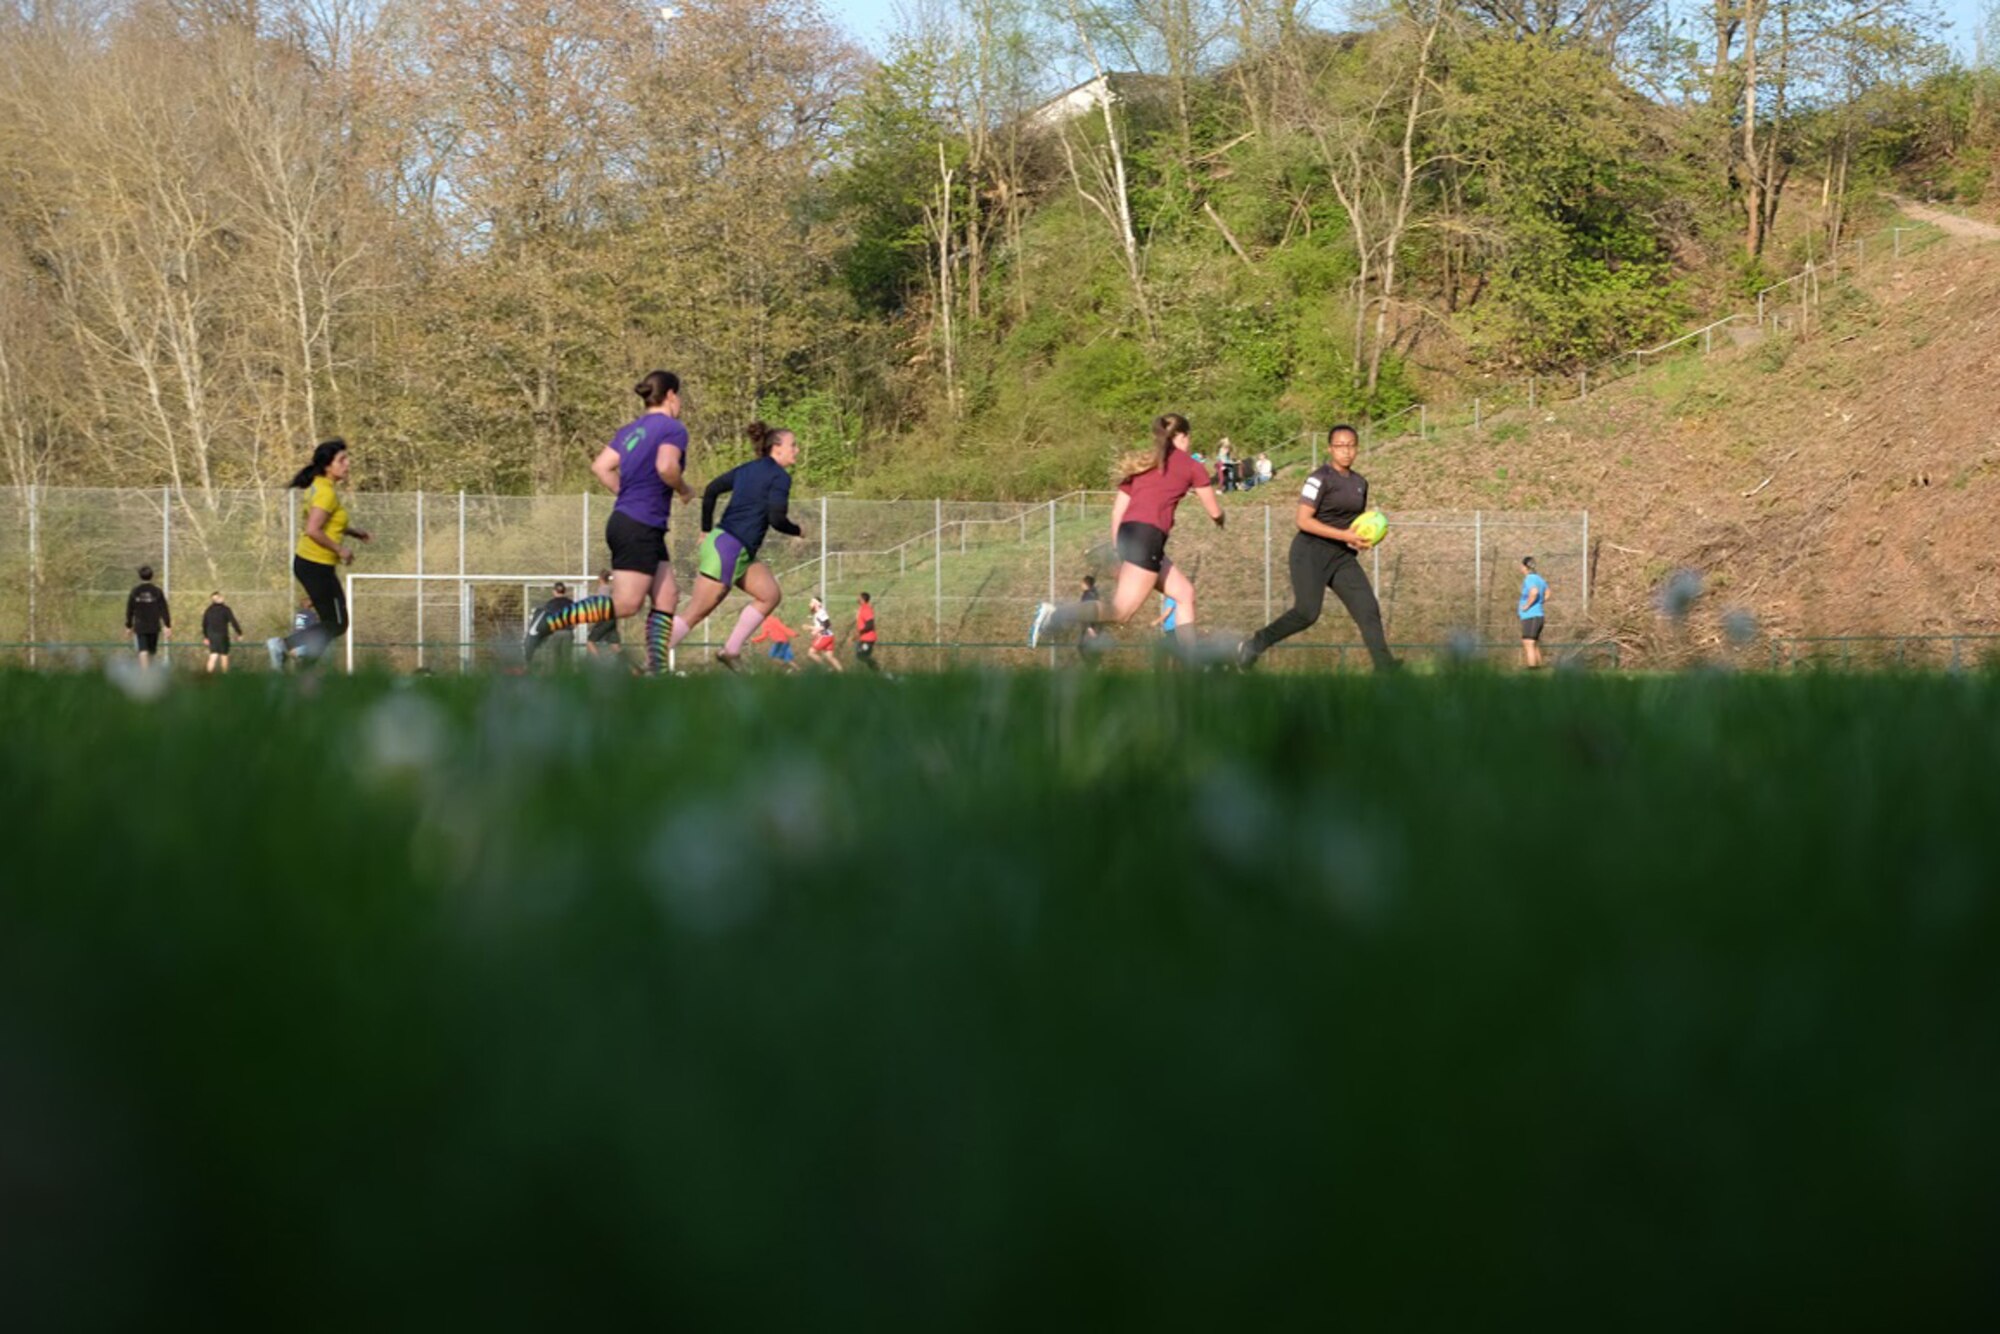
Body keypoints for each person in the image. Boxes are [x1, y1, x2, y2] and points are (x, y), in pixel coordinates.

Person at [525, 370, 694, 675]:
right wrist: (683, 489)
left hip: (633, 521)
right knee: (627, 604)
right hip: (639, 524)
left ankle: (656, 670)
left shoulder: (630, 431)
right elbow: (667, 466)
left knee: (667, 594)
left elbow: (601, 466)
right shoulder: (672, 428)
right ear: (670, 395)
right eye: (678, 396)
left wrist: (627, 494)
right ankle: (548, 620)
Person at [1031, 413, 1223, 659]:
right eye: (1188, 439)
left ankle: (1190, 661)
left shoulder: (1145, 463)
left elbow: (1117, 511)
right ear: (1182, 437)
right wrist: (1221, 519)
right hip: (1148, 537)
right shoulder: (1191, 465)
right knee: (1121, 611)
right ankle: (1057, 613)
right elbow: (1214, 511)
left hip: (1128, 534)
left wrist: (1118, 549)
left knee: (1184, 593)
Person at [1237, 424, 1396, 673]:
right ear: (1330, 448)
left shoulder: (1360, 483)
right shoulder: (1318, 478)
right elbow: (1303, 520)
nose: (1346, 451)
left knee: (1368, 609)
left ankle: (1386, 669)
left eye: (1351, 445)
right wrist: (1343, 534)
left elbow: (1353, 524)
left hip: (1341, 555)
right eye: (1340, 446)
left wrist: (1359, 539)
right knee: (1307, 612)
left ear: (1357, 448)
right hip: (1310, 551)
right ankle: (1254, 644)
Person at [665, 421, 804, 671]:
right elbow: (776, 518)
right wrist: (797, 530)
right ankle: (646, 663)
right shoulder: (780, 477)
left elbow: (711, 490)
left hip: (730, 546)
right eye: (793, 445)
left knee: (769, 594)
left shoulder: (747, 469)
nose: (797, 450)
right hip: (729, 550)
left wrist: (706, 528)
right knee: (695, 614)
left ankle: (730, 651)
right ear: (777, 448)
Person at [275, 439, 371, 668]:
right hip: (315, 565)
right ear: (328, 466)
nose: (347, 464)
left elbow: (326, 522)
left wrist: (353, 533)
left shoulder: (318, 485)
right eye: (342, 460)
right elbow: (313, 529)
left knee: (331, 624)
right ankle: (283, 646)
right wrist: (341, 549)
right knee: (337, 624)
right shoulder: (326, 493)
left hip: (310, 564)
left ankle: (303, 669)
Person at [125, 565, 171, 669]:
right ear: (152, 576)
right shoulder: (157, 591)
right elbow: (164, 609)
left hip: (141, 624)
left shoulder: (135, 591)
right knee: (151, 651)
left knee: (143, 650)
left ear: (140, 576)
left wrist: (129, 625)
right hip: (153, 625)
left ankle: (145, 672)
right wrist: (167, 625)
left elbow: (130, 609)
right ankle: (148, 672)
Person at [529, 582, 576, 671]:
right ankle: (568, 678)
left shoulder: (550, 604)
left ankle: (555, 678)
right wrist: (572, 627)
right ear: (564, 591)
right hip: (567, 632)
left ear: (554, 591)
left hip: (555, 633)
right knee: (567, 658)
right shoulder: (570, 603)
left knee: (555, 658)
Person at [584, 569, 623, 661]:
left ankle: (599, 662)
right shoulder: (611, 589)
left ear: (600, 578)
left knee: (590, 642)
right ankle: (633, 669)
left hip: (605, 618)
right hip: (612, 618)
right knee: (615, 646)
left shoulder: (603, 589)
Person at [1518, 556, 1549, 669]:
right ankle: (1539, 668)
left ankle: (1532, 669)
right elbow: (1548, 593)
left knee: (1528, 643)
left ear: (1525, 567)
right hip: (1537, 616)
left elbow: (1534, 592)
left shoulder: (1529, 578)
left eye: (1521, 565)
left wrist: (1527, 606)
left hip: (1532, 616)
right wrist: (1540, 602)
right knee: (1533, 643)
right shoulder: (1540, 579)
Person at [201, 591, 243, 674]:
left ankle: (208, 676)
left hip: (211, 636)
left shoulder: (208, 610)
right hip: (222, 635)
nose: (223, 598)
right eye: (221, 597)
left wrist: (205, 636)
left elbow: (204, 624)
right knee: (224, 656)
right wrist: (239, 633)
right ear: (219, 599)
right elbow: (233, 621)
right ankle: (224, 677)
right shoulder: (225, 609)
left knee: (213, 655)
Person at [805, 595, 844, 672]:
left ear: (817, 604)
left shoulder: (821, 612)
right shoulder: (817, 613)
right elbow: (821, 626)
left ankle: (827, 669)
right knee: (829, 657)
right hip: (829, 636)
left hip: (825, 636)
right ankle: (842, 674)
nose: (810, 604)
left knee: (811, 653)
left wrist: (815, 630)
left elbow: (827, 624)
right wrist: (811, 628)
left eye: (812, 602)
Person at [855, 592, 880, 671]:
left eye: (859, 597)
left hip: (868, 639)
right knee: (860, 656)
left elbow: (870, 624)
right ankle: (875, 671)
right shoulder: (862, 608)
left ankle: (877, 671)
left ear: (862, 599)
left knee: (862, 656)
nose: (857, 598)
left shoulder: (866, 609)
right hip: (863, 638)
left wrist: (861, 631)